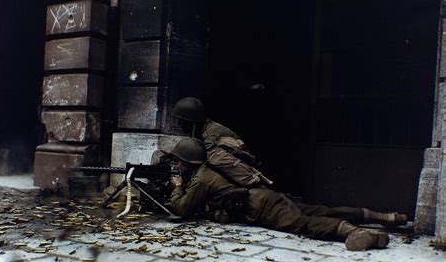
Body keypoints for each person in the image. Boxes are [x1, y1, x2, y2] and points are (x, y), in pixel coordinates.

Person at [168, 138, 408, 251]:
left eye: (178, 162)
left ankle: (354, 232)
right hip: (265, 196)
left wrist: (178, 186)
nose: (177, 166)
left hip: (261, 207)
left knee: (303, 223)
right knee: (320, 210)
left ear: (188, 162)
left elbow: (181, 209)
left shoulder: (201, 179)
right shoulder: (210, 170)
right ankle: (386, 218)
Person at [171, 97, 242, 147]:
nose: (179, 125)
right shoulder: (202, 130)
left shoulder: (211, 136)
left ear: (192, 123)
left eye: (182, 122)